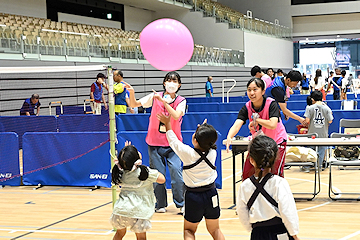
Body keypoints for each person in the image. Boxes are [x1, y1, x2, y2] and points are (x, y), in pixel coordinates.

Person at [125, 71, 186, 214]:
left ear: (179, 84)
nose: (171, 83)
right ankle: (160, 204)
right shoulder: (154, 96)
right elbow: (134, 104)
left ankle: (181, 203)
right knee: (157, 176)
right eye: (169, 80)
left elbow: (176, 116)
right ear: (164, 83)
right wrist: (132, 92)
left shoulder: (181, 101)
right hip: (155, 143)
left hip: (173, 144)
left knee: (176, 173)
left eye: (175, 81)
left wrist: (163, 101)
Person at [157, 115, 225, 240]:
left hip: (193, 196)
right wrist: (204, 131)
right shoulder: (213, 152)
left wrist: (167, 123)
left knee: (189, 230)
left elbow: (173, 141)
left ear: (195, 140)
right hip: (211, 194)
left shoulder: (188, 153)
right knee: (215, 230)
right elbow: (207, 141)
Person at [236, 135, 300, 240]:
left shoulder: (244, 186)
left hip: (257, 233)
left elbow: (242, 213)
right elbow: (288, 212)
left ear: (251, 160)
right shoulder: (279, 183)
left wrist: (250, 229)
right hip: (280, 232)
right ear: (274, 159)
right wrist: (294, 234)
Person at [226, 78, 288, 180]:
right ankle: (251, 195)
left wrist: (257, 120)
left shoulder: (271, 104)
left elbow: (273, 124)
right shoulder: (247, 107)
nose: (252, 93)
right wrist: (229, 136)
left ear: (263, 91)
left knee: (274, 175)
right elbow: (237, 124)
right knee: (247, 174)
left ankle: (275, 195)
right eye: (249, 90)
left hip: (277, 142)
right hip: (259, 143)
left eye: (255, 89)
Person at [110, 142, 165, 240]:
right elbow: (162, 179)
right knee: (141, 237)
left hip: (121, 210)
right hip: (139, 212)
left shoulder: (120, 173)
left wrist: (126, 149)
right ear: (137, 159)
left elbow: (126, 161)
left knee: (119, 234)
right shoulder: (145, 173)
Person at [304, 90, 333, 170]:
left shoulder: (309, 108)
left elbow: (307, 121)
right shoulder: (327, 108)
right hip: (323, 133)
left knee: (311, 150)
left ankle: (308, 166)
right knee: (321, 150)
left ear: (312, 99)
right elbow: (330, 120)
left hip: (312, 133)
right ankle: (319, 166)